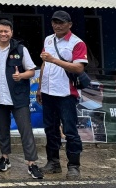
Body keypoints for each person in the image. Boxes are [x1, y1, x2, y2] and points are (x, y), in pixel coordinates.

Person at [0, 19, 43, 179]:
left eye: (6, 31)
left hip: (19, 98)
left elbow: (32, 70)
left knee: (25, 131)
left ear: (11, 32)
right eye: (0, 31)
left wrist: (21, 75)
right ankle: (5, 158)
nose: (3, 34)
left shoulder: (20, 49)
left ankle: (32, 163)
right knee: (3, 129)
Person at [36, 10, 86, 179]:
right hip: (48, 91)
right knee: (50, 129)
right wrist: (39, 87)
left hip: (66, 93)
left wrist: (54, 60)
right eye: (55, 22)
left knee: (70, 130)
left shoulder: (77, 43)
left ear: (69, 24)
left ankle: (74, 165)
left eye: (61, 22)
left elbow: (79, 68)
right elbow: (44, 64)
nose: (57, 25)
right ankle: (53, 162)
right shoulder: (48, 39)